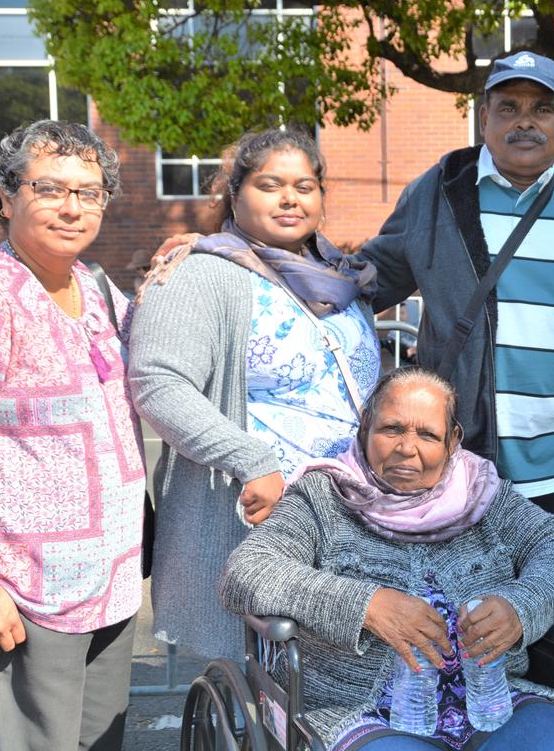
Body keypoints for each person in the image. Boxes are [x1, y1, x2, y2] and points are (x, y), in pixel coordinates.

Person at [218, 366, 554, 751]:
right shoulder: (322, 498)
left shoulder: (484, 496)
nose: (407, 448)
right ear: (365, 425)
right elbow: (247, 571)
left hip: (492, 701)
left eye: (428, 435)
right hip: (360, 711)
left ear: (453, 441)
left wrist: (521, 606)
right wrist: (366, 605)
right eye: (392, 429)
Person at [356, 51, 554, 527]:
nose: (525, 123)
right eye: (508, 108)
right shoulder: (438, 192)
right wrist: (252, 255)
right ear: (483, 118)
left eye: (541, 109)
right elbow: (364, 281)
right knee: (455, 601)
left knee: (550, 599)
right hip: (462, 461)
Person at [128, 128, 381, 661]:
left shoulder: (338, 279)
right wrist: (252, 460)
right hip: (263, 513)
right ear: (235, 193)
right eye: (270, 184)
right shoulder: (201, 273)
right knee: (275, 675)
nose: (291, 198)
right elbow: (158, 381)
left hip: (351, 512)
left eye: (305, 185)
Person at [0, 120, 144, 750]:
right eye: (50, 188)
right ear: (5, 198)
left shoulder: (93, 285)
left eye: (89, 192)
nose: (72, 207)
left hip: (108, 585)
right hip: (23, 596)